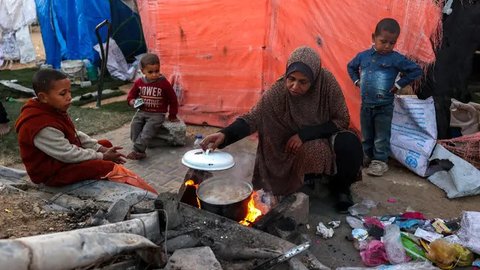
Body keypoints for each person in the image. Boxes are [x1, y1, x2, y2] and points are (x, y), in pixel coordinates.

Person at [200, 46, 363, 212]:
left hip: (326, 133)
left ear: (314, 79)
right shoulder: (278, 91)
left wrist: (305, 134)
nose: (294, 86)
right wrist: (224, 135)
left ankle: (341, 189)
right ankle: (306, 182)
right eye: (291, 78)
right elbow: (253, 117)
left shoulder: (327, 82)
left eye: (303, 82)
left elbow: (342, 119)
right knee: (307, 150)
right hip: (294, 142)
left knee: (349, 143)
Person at [15, 69, 157, 194]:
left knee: (105, 144)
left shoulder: (51, 108)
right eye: (63, 93)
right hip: (52, 173)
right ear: (43, 97)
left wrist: (100, 148)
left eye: (69, 91)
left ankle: (115, 179)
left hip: (60, 159)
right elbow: (68, 154)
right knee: (106, 165)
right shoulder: (39, 124)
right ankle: (146, 193)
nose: (69, 97)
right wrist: (102, 157)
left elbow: (74, 133)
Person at [347, 18, 422, 177]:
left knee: (381, 135)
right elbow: (351, 67)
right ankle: (366, 157)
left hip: (384, 106)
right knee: (366, 134)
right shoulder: (363, 56)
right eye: (383, 41)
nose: (387, 46)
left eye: (392, 43)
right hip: (366, 105)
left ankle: (380, 162)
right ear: (373, 38)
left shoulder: (396, 59)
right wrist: (356, 81)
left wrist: (399, 85)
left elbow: (416, 71)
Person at [126, 53, 179, 160]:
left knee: (147, 130)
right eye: (150, 72)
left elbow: (173, 99)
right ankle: (139, 144)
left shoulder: (164, 83)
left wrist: (172, 114)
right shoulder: (139, 82)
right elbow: (131, 95)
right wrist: (132, 101)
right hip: (142, 111)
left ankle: (138, 151)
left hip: (157, 114)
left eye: (157, 71)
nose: (154, 74)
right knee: (134, 126)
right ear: (143, 70)